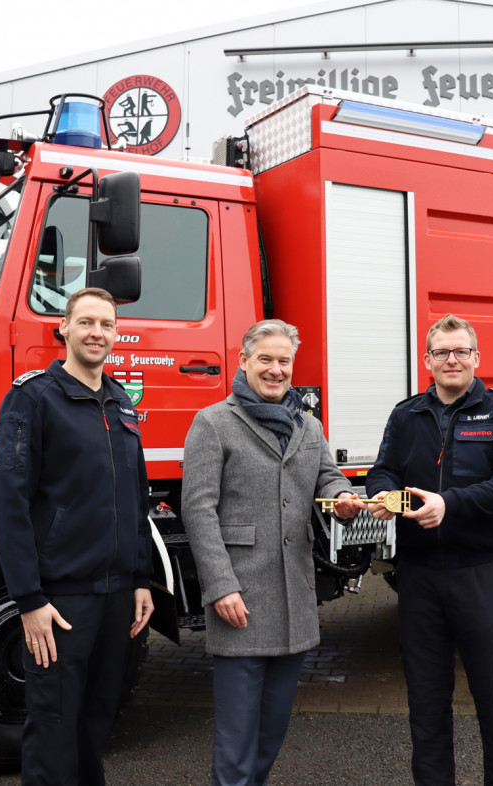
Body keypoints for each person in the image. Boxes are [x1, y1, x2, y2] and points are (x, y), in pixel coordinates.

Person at [181, 319, 364, 786]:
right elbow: (198, 510)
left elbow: (328, 477)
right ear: (244, 361)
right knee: (236, 739)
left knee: (271, 733)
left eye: (284, 360)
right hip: (240, 597)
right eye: (265, 359)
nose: (276, 369)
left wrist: (343, 497)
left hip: (293, 600)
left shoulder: (309, 425)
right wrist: (220, 586)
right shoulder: (214, 422)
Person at [0, 287, 154, 786]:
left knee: (96, 723)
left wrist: (142, 578)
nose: (96, 333)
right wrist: (28, 599)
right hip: (61, 602)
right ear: (63, 329)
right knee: (55, 728)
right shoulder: (33, 397)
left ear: (116, 334)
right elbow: (10, 503)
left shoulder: (120, 401)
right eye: (86, 322)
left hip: (117, 596)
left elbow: (136, 495)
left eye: (106, 324)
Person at [366, 314, 493, 786]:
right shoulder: (406, 414)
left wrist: (449, 504)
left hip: (478, 575)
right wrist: (385, 498)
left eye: (460, 351)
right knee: (426, 701)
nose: (451, 359)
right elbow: (383, 471)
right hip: (417, 577)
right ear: (428, 360)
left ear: (477, 358)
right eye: (441, 352)